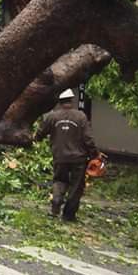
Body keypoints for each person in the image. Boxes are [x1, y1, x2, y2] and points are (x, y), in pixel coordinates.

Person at [35, 88, 99, 222]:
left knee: (59, 180)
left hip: (59, 156)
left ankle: (56, 204)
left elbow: (39, 134)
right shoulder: (80, 116)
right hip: (79, 159)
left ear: (59, 101)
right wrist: (95, 154)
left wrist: (34, 139)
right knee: (76, 187)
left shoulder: (52, 117)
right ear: (71, 100)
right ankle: (68, 215)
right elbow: (88, 138)